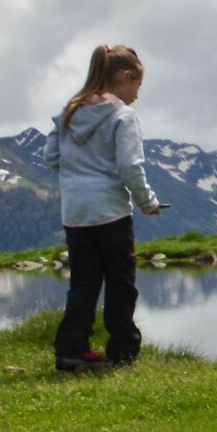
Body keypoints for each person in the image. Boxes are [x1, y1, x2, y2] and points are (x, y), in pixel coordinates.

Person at [45, 44, 164, 372]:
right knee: (120, 282)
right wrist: (147, 201)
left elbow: (51, 158)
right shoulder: (122, 116)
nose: (137, 94)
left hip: (75, 213)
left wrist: (77, 178)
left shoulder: (68, 112)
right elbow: (129, 166)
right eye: (137, 85)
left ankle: (71, 350)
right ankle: (122, 350)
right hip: (110, 212)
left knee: (83, 283)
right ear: (124, 77)